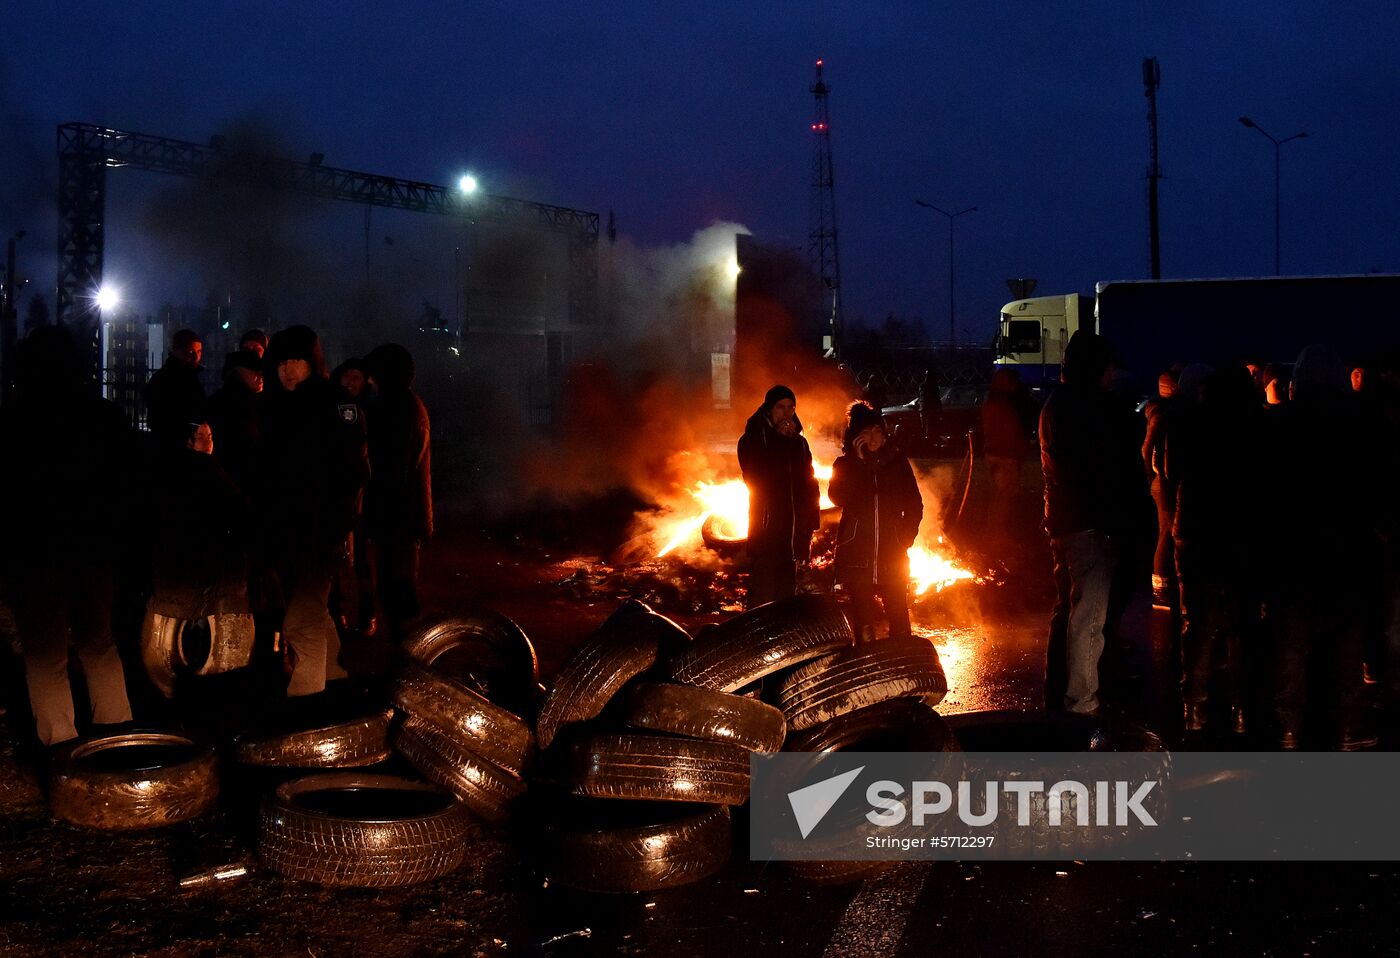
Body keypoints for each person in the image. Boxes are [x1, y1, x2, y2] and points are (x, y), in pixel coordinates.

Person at [0, 326, 135, 745]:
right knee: (99, 645)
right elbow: (127, 483)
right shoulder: (102, 416)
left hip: (33, 553)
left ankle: (60, 748)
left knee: (45, 655)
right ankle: (118, 737)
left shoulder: (13, 420)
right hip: (91, 549)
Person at [1267, 345, 1383, 749]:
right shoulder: (1364, 423)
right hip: (1347, 550)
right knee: (1347, 643)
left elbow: (1262, 491)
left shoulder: (1278, 423)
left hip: (1292, 550)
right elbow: (1380, 487)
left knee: (1290, 644)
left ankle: (1287, 728)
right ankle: (1349, 725)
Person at [1039, 331, 1153, 715]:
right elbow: (1103, 469)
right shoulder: (1084, 409)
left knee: (1069, 611)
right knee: (1089, 618)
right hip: (1090, 524)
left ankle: (1058, 690)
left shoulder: (1061, 403)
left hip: (1068, 520)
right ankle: (1081, 703)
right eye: (1107, 368)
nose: (1112, 375)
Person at [256, 325, 369, 698]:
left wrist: (340, 526)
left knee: (301, 619)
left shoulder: (335, 405)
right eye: (282, 362)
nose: (288, 370)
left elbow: (354, 472)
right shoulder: (273, 406)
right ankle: (336, 681)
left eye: (296, 362)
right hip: (284, 531)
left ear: (312, 363)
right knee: (312, 611)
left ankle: (305, 704)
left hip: (320, 531)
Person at [1164, 365, 1264, 734]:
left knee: (1199, 621)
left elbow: (1172, 472)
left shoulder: (1189, 422)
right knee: (1241, 623)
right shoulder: (1256, 425)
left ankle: (1195, 707)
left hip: (1195, 529)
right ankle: (1241, 709)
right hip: (1242, 533)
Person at [828, 402, 923, 641]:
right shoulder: (845, 464)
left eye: (878, 431)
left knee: (898, 610)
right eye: (867, 431)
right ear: (857, 436)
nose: (874, 437)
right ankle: (866, 667)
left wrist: (906, 535)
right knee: (863, 614)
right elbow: (838, 497)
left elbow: (914, 503)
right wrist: (858, 464)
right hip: (857, 550)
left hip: (892, 550)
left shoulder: (897, 462)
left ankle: (902, 663)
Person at [363, 343, 433, 639]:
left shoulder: (398, 409)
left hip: (398, 516)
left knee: (398, 589)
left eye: (373, 376)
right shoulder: (402, 404)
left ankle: (415, 662)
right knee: (396, 587)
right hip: (401, 514)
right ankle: (409, 657)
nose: (368, 382)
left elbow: (392, 468)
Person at [738, 384, 821, 608]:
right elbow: (757, 479)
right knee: (762, 598)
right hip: (767, 533)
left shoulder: (800, 444)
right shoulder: (752, 440)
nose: (786, 414)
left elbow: (809, 484)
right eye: (780, 407)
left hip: (793, 535)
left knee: (785, 600)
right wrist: (779, 441)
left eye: (791, 408)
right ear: (768, 410)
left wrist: (811, 524)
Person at [979, 368, 1032, 547]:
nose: (1016, 385)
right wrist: (1019, 450)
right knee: (1003, 497)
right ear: (1006, 383)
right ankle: (995, 536)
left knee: (1002, 497)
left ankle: (995, 533)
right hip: (1004, 455)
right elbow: (1010, 431)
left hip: (999, 454)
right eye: (1013, 381)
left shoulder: (996, 401)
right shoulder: (1002, 404)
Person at [206, 350, 263, 496]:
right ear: (237, 372)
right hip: (239, 482)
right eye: (254, 370)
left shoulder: (246, 400)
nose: (260, 375)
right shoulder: (238, 403)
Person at [145, 328, 206, 450]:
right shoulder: (169, 379)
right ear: (176, 351)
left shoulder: (185, 377)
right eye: (190, 352)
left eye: (199, 351)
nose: (196, 357)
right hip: (175, 447)